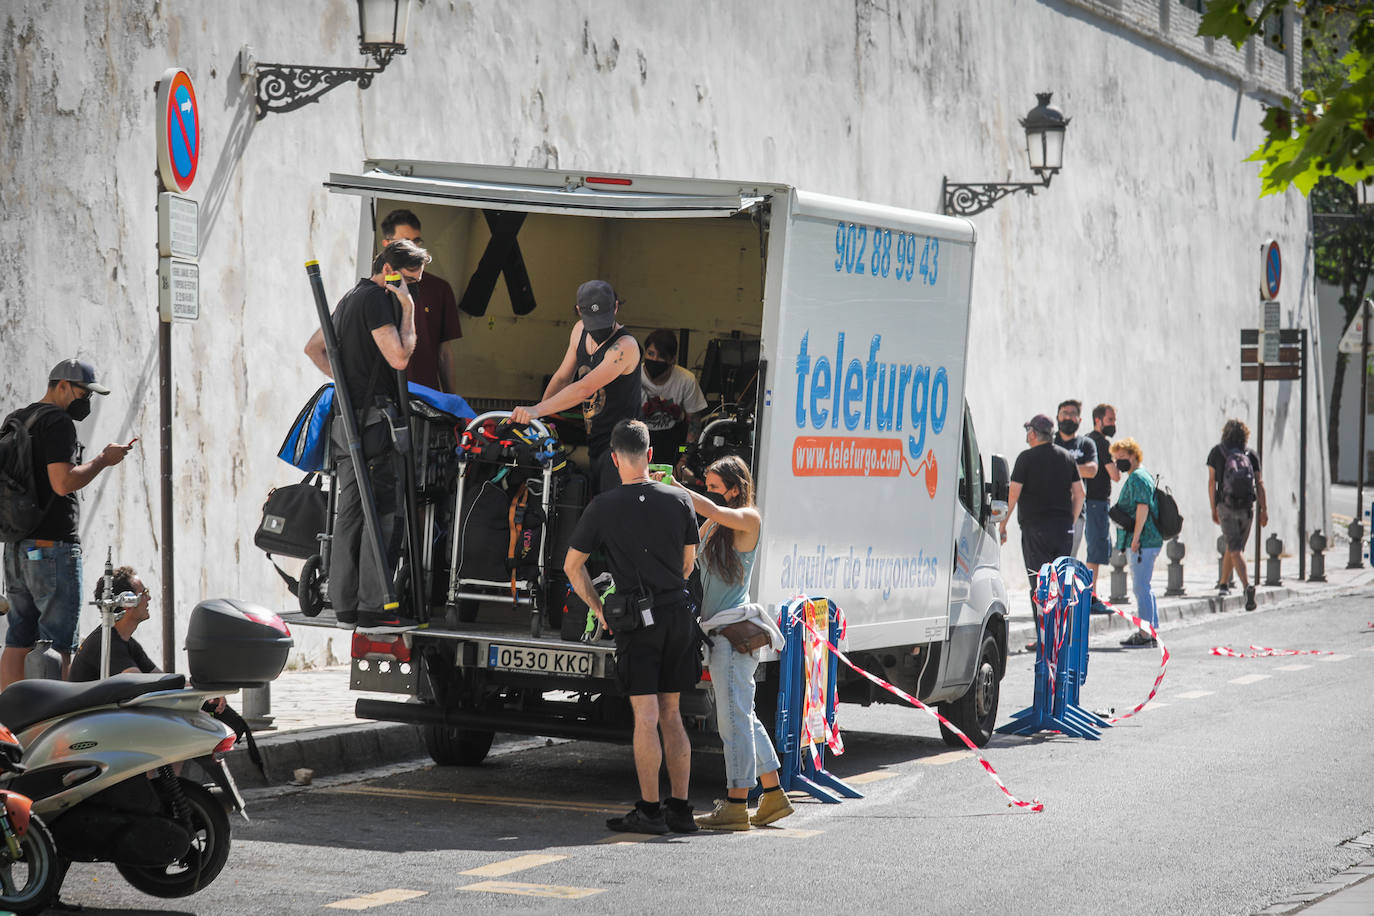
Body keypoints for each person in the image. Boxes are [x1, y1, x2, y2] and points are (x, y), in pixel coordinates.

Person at [563, 419, 700, 835]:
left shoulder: (603, 506)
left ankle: (650, 811)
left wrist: (598, 608)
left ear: (616, 459)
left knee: (645, 716)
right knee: (672, 713)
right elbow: (688, 563)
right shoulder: (680, 501)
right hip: (677, 615)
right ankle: (681, 809)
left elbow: (573, 565)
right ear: (650, 456)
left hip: (637, 621)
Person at [661, 456, 791, 831]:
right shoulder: (715, 525)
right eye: (707, 485)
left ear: (736, 489)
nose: (709, 492)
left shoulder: (748, 519)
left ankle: (737, 805)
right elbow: (687, 563)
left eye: (716, 486)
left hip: (732, 637)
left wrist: (677, 489)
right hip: (720, 635)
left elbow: (709, 507)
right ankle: (773, 795)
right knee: (743, 717)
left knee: (732, 723)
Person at [304, 239, 427, 632]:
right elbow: (399, 356)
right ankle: (374, 608)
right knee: (382, 513)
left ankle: (345, 607)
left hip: (347, 421)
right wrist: (407, 309)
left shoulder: (349, 297)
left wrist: (345, 387)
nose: (412, 288)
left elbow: (314, 349)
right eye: (409, 280)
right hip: (373, 425)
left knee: (351, 515)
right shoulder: (376, 299)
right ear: (389, 270)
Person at [1, 359, 134, 688]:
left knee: (18, 638)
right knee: (58, 644)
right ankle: (54, 725)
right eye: (82, 392)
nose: (85, 401)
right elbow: (62, 483)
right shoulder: (58, 422)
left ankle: (8, 725)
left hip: (18, 547)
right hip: (52, 548)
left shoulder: (18, 418)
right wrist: (103, 459)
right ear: (60, 385)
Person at [512, 280, 641, 493]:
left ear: (616, 307)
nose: (598, 328)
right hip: (596, 441)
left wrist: (535, 410)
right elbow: (563, 377)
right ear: (579, 311)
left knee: (614, 514)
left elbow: (583, 389)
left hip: (625, 446)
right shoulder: (579, 330)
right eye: (593, 321)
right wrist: (539, 421)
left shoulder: (625, 346)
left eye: (603, 320)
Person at [1000, 414, 1083, 642]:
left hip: (1035, 530)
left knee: (1039, 585)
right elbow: (1080, 494)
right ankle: (1062, 635)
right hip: (1063, 531)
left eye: (1028, 431)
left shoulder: (1026, 458)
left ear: (1034, 434)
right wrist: (1071, 521)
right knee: (1060, 584)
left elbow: (1013, 494)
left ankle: (1045, 638)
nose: (1027, 436)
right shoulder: (1067, 457)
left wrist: (1002, 525)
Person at [380, 209, 462, 392]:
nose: (413, 248)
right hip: (384, 395)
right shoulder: (371, 292)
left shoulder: (439, 288)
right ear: (387, 245)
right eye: (404, 242)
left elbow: (444, 351)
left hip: (426, 395)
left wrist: (451, 402)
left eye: (417, 241)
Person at [1206, 419, 1268, 611]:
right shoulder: (1251, 455)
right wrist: (1264, 509)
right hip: (1247, 507)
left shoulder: (1218, 452)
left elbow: (1211, 482)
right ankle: (1223, 584)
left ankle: (1246, 586)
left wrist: (1213, 507)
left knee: (1234, 548)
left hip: (1226, 506)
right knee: (1235, 546)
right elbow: (1260, 483)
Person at [1109, 439, 1162, 648]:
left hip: (1143, 541)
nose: (1118, 461)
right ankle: (1150, 630)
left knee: (1141, 587)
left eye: (1121, 457)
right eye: (1116, 458)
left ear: (1133, 455)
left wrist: (1136, 538)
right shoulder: (1140, 475)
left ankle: (1145, 634)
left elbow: (1142, 508)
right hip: (1146, 540)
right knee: (1145, 587)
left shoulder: (1138, 477)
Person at [640, 329, 707, 478]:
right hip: (639, 444)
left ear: (672, 359)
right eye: (650, 353)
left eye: (661, 356)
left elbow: (694, 425)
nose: (655, 360)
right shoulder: (632, 377)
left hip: (672, 446)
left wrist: (683, 461)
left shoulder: (686, 380)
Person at [1083, 404, 1121, 599]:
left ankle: (1092, 594)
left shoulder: (1086, 440)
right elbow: (1115, 475)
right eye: (1110, 420)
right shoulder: (1102, 443)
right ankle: (1091, 596)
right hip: (1097, 502)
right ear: (1098, 420)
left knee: (1095, 549)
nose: (1113, 424)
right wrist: (1119, 462)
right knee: (1096, 551)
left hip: (1088, 502)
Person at [1054, 399, 1098, 557]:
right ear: (1057, 417)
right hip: (1050, 511)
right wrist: (1075, 470)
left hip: (1075, 512)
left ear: (1079, 419)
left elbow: (1092, 470)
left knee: (1068, 561)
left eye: (1073, 414)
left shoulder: (1086, 444)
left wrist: (1062, 468)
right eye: (1064, 413)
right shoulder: (1050, 442)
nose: (1068, 417)